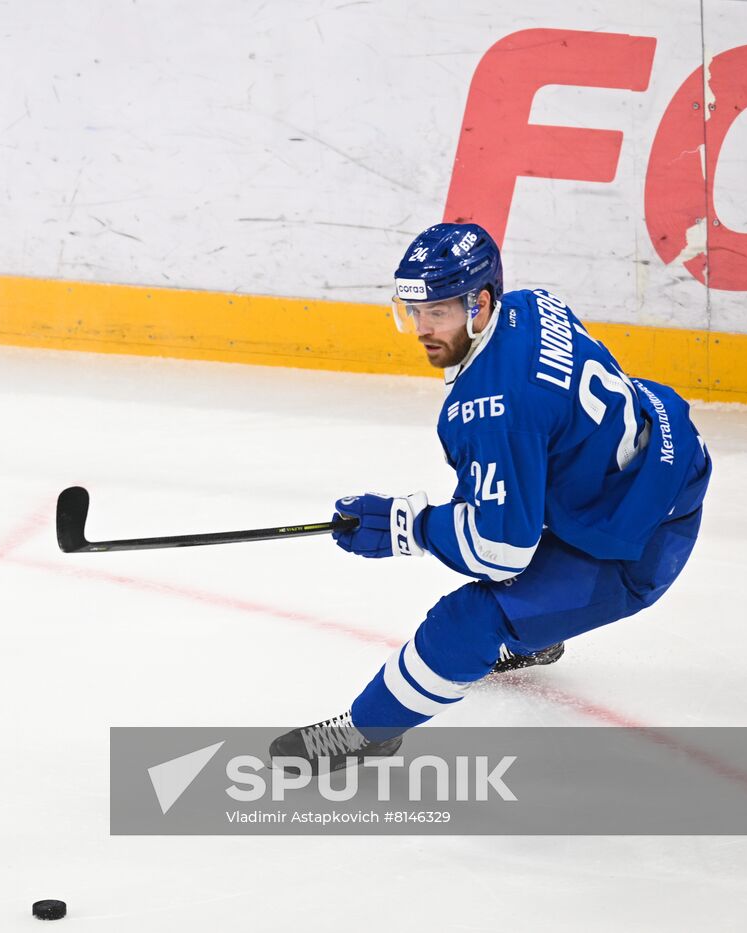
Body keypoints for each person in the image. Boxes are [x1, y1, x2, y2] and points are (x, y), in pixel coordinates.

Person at [271, 223, 711, 770]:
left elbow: (500, 552)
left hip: (639, 538)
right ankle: (536, 637)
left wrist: (409, 526)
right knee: (515, 508)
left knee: (467, 622)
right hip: (663, 455)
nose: (421, 329)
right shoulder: (532, 305)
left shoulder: (491, 410)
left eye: (437, 312)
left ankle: (368, 733)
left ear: (479, 304)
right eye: (414, 311)